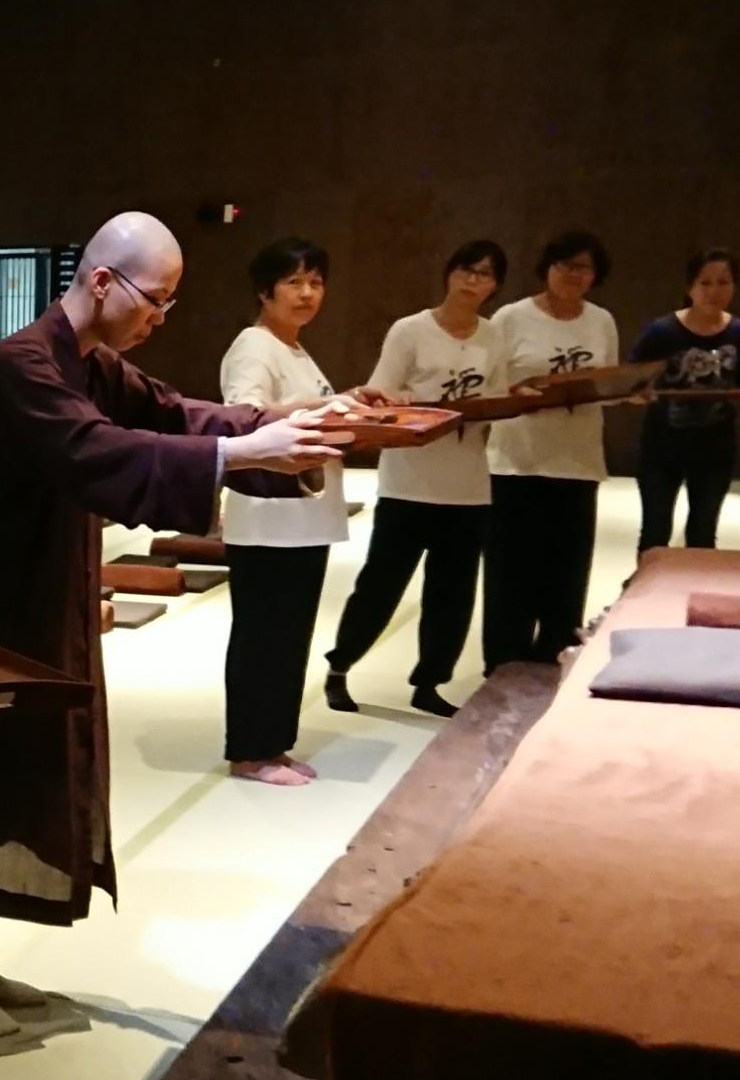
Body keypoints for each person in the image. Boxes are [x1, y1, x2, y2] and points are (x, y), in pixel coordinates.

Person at [0, 213, 343, 1020]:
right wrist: (243, 453)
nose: (161, 318)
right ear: (103, 281)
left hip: (38, 598)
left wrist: (298, 426)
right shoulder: (23, 363)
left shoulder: (92, 363)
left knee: (4, 780)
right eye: (157, 300)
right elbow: (96, 451)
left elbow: (176, 416)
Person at [219, 236, 380, 787]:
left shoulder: (294, 349)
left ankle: (273, 744)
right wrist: (329, 406)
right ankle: (250, 752)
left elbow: (307, 412)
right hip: (269, 519)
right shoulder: (254, 345)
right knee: (263, 639)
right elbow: (245, 417)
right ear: (265, 291)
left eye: (315, 282)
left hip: (301, 519)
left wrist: (348, 401)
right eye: (293, 282)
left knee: (288, 639)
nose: (307, 293)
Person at [323, 239, 507, 719]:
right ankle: (339, 667)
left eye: (485, 274)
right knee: (381, 584)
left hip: (468, 487)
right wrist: (419, 406)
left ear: (495, 286)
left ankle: (430, 681)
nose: (473, 281)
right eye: (466, 270)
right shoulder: (411, 330)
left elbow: (500, 401)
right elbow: (380, 395)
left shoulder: (494, 337)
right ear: (450, 273)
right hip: (407, 482)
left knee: (453, 594)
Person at [482, 230, 620, 673]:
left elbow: (608, 384)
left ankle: (552, 666)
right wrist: (519, 392)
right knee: (510, 573)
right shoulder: (511, 317)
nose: (574, 274)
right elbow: (489, 383)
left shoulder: (601, 320)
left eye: (584, 267)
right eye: (565, 265)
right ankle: (503, 667)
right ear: (547, 268)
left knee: (566, 576)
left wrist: (628, 391)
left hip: (577, 462)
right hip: (515, 462)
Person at [631, 249, 740, 551]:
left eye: (723, 282)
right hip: (661, 446)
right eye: (705, 283)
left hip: (715, 446)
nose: (714, 291)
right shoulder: (662, 330)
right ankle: (650, 582)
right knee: (655, 529)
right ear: (689, 287)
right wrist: (639, 393)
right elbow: (633, 378)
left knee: (703, 531)